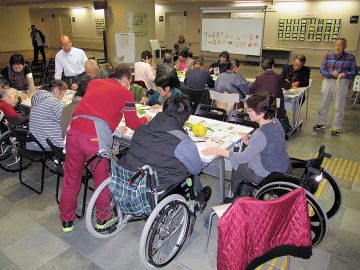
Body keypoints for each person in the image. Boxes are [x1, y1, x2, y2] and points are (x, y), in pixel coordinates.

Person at [59, 65, 151, 232]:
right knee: (102, 179)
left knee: (71, 177)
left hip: (74, 131)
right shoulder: (125, 93)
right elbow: (133, 123)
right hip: (94, 137)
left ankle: (66, 220)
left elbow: (96, 108)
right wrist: (146, 118)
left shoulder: (95, 83)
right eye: (129, 83)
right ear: (125, 80)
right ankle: (103, 218)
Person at [120, 93, 211, 207]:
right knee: (191, 170)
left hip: (130, 177)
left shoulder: (142, 128)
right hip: (157, 187)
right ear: (186, 118)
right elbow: (196, 169)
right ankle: (200, 199)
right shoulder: (182, 141)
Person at [202, 92, 291, 202]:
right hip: (283, 167)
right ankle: (247, 192)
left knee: (238, 166)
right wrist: (249, 142)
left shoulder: (260, 134)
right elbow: (270, 144)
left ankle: (237, 199)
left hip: (267, 174)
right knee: (244, 164)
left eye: (250, 110)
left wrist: (219, 151)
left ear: (261, 113)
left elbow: (243, 158)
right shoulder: (276, 122)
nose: (248, 112)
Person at [313, 38, 357, 136]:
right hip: (328, 81)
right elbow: (322, 70)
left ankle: (336, 127)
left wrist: (344, 74)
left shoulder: (350, 57)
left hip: (342, 82)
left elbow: (354, 72)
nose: (337, 47)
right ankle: (321, 123)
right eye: (335, 45)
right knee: (324, 104)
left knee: (339, 106)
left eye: (340, 45)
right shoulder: (328, 56)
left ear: (344, 46)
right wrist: (331, 73)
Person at [249, 58, 291, 127]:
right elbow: (288, 86)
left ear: (262, 68)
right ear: (273, 66)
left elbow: (250, 90)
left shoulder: (259, 78)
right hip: (276, 109)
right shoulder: (278, 77)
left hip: (262, 107)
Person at [29, 80, 67, 150]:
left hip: (34, 142)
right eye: (63, 94)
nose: (63, 97)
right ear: (56, 90)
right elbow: (70, 123)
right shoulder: (56, 103)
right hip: (48, 144)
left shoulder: (36, 97)